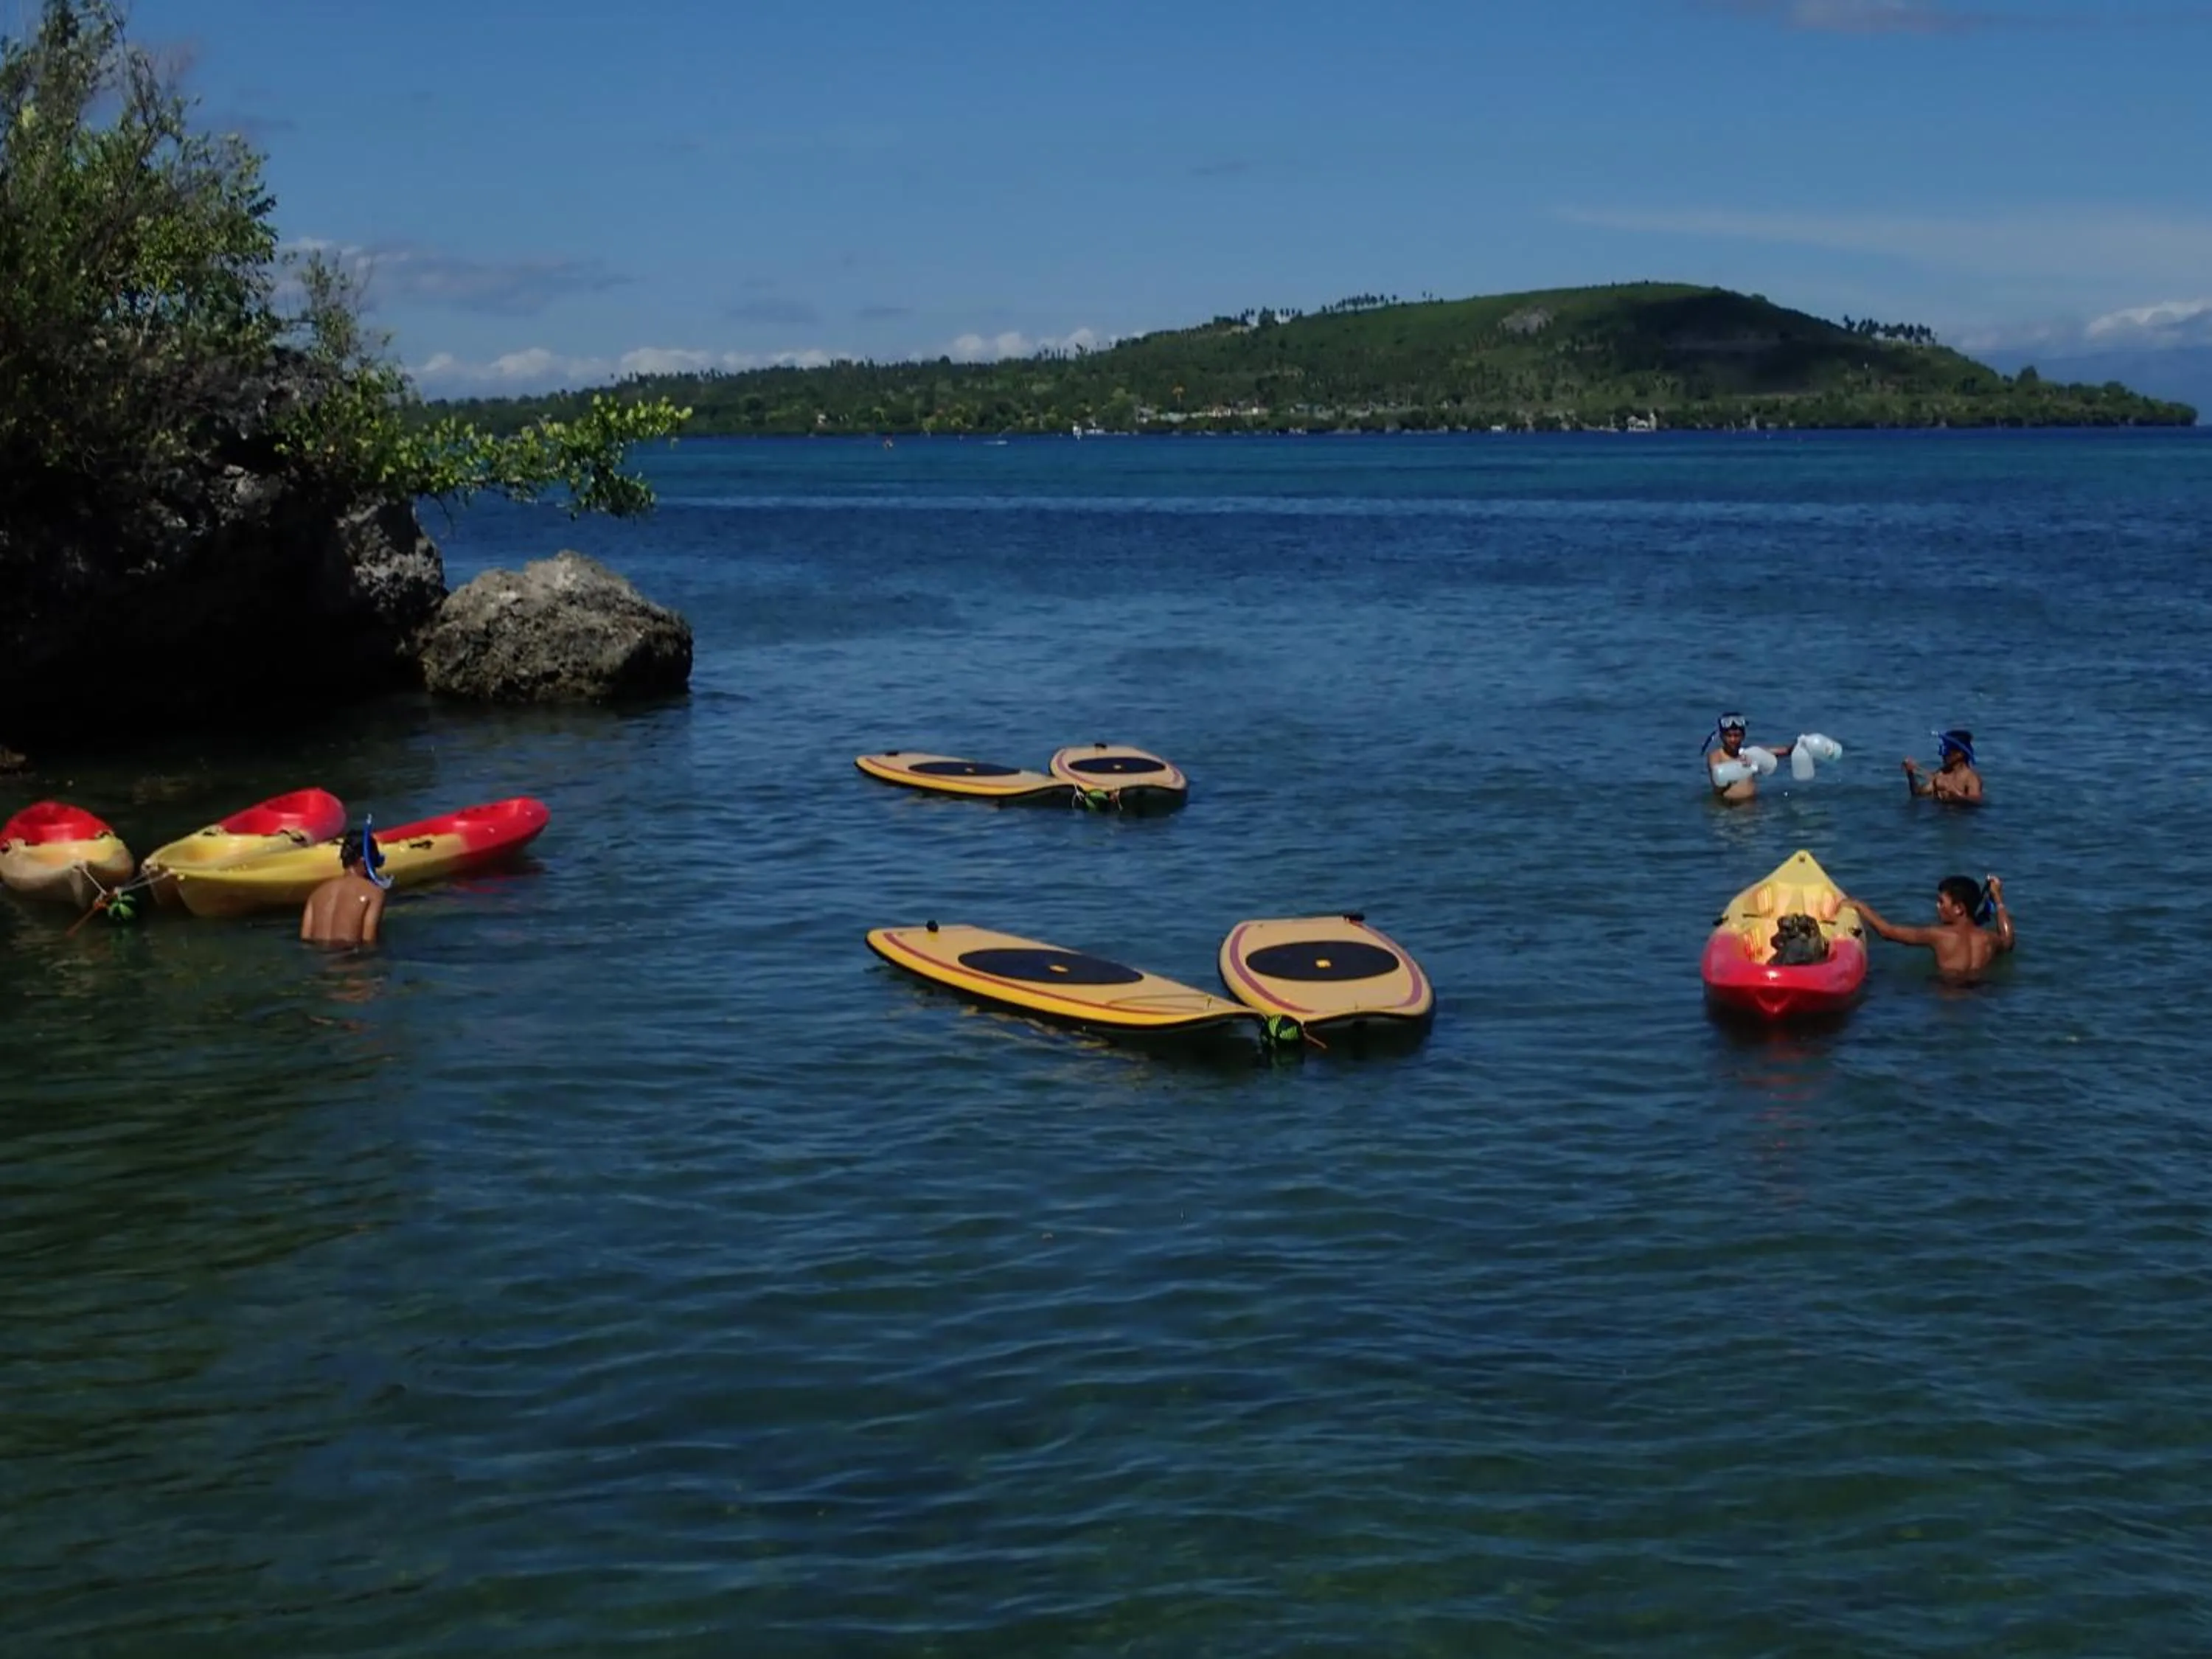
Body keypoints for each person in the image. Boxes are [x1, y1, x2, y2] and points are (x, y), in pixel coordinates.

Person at [1846, 874, 2014, 981]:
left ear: (1959, 908)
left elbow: (1887, 932)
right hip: (1979, 994)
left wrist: (1860, 906)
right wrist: (1997, 898)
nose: (1937, 906)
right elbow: (2008, 940)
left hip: (1948, 995)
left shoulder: (1939, 935)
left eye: (1941, 902)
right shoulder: (1988, 939)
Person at [300, 827, 388, 947]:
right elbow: (369, 941)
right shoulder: (374, 894)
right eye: (376, 863)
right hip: (351, 960)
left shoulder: (316, 895)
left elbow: (305, 940)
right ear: (365, 860)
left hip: (319, 961)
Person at [1703, 712, 1796, 802]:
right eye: (1729, 736)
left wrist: (1798, 746)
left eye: (1737, 736)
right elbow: (1718, 784)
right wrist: (1739, 766)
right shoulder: (1716, 756)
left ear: (1743, 736)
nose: (1733, 740)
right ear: (1722, 737)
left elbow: (1785, 751)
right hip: (1729, 808)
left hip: (1752, 806)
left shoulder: (1749, 754)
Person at [1904, 728, 1983, 804]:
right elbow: (1918, 794)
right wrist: (1910, 774)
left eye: (1947, 751)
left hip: (1962, 815)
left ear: (1960, 754)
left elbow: (1976, 801)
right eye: (1943, 750)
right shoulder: (1941, 773)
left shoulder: (1971, 777)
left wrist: (1956, 795)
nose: (1943, 755)